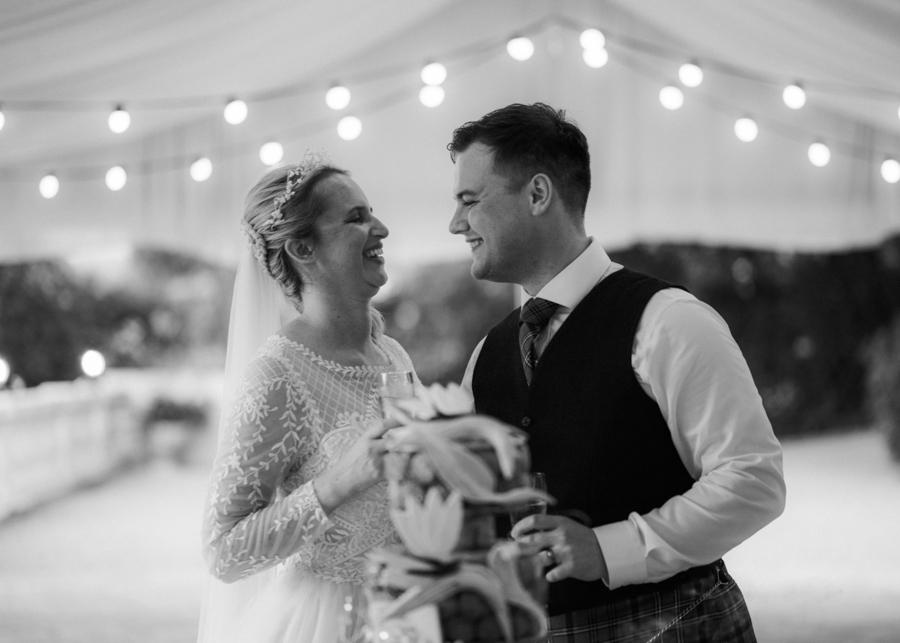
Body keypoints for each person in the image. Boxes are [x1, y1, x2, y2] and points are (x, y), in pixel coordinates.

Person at [449, 103, 786, 642]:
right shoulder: (486, 356)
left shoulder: (670, 320)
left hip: (679, 626)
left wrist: (610, 550)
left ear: (538, 195)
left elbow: (753, 479)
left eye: (470, 201)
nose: (456, 223)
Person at [197, 152, 417, 643]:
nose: (381, 229)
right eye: (356, 219)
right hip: (330, 622)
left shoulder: (393, 354)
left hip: (411, 609)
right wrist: (339, 482)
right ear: (303, 248)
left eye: (372, 213)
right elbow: (223, 551)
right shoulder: (278, 375)